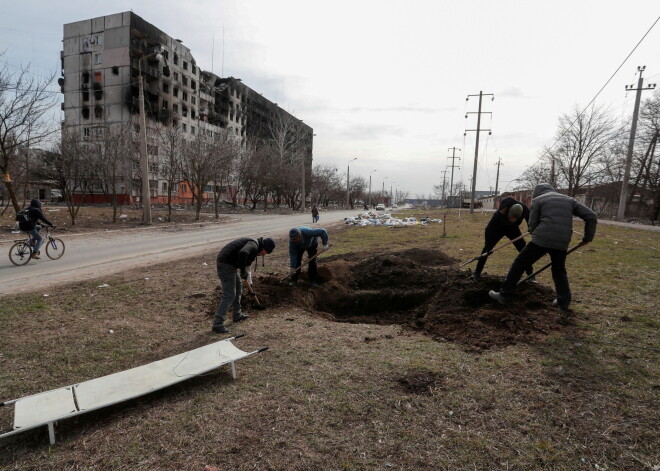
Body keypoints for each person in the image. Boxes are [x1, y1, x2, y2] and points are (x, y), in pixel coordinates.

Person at [489, 183, 597, 314]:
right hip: (562, 241)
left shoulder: (538, 200)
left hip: (542, 238)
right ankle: (563, 303)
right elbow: (591, 216)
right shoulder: (570, 200)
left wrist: (537, 237)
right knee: (559, 270)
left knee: (520, 263)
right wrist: (587, 237)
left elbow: (532, 224)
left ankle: (504, 295)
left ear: (537, 193)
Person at [212, 237, 276, 334]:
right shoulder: (253, 245)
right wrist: (242, 271)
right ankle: (217, 324)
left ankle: (237, 315)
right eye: (265, 252)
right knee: (229, 295)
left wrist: (249, 281)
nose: (263, 255)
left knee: (238, 287)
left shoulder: (254, 250)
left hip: (230, 265)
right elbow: (243, 253)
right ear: (263, 247)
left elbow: (247, 268)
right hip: (225, 264)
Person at [473, 198, 534, 280]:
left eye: (515, 219)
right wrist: (488, 245)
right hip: (497, 228)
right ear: (507, 212)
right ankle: (477, 273)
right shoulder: (502, 210)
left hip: (513, 229)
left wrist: (531, 227)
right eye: (511, 217)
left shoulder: (525, 210)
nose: (512, 220)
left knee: (523, 249)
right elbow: (488, 229)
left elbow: (530, 220)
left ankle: (531, 275)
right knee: (486, 250)